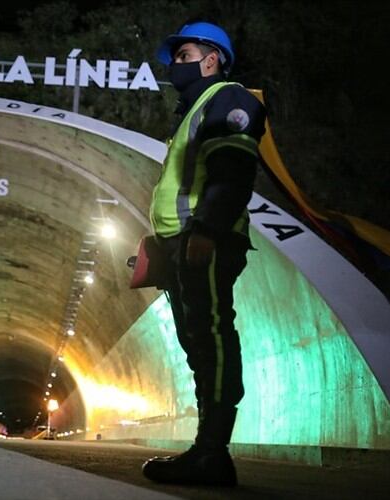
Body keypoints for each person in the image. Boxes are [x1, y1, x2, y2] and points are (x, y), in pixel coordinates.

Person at [142, 20, 266, 487]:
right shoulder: (194, 109)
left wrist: (208, 230)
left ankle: (213, 453)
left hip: (205, 240)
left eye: (183, 55)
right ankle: (205, 449)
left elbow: (232, 168)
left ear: (211, 59)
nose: (176, 65)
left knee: (211, 338)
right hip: (183, 244)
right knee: (197, 343)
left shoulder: (228, 99)